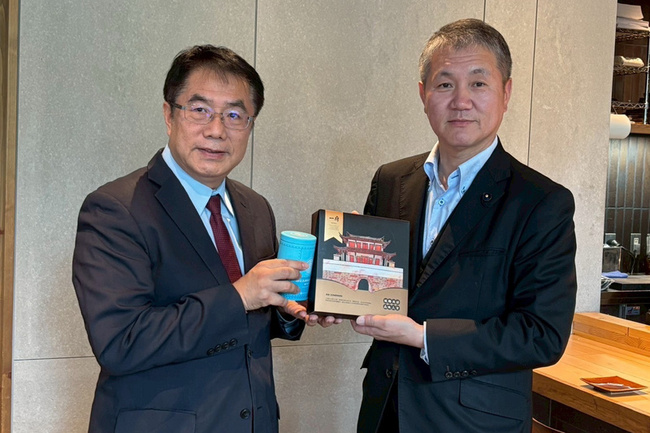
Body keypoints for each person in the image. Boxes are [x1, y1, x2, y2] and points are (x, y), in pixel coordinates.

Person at [72, 45, 336, 433]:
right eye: (200, 110)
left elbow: (249, 322)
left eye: (234, 115)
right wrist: (240, 296)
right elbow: (121, 343)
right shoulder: (115, 209)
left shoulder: (255, 207)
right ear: (169, 115)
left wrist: (289, 308)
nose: (216, 130)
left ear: (250, 126)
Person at [351, 18, 577, 433]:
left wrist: (423, 337)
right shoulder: (391, 180)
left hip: (474, 421)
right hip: (386, 411)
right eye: (444, 84)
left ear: (506, 93)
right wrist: (337, 300)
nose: (460, 101)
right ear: (423, 94)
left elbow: (542, 334)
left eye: (478, 83)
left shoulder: (541, 202)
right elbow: (374, 280)